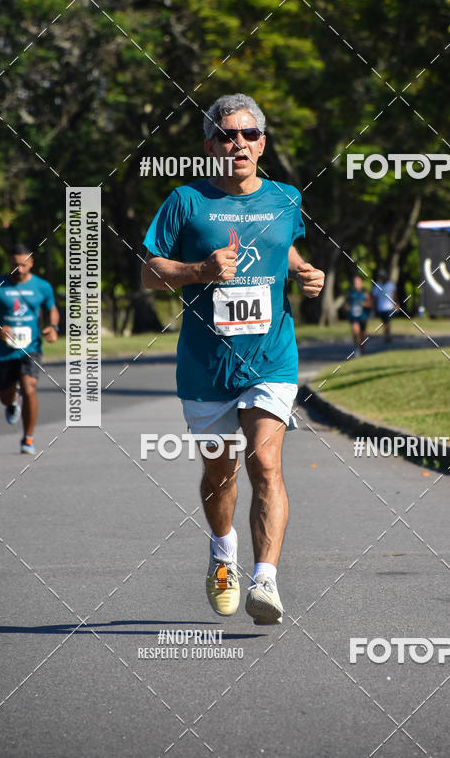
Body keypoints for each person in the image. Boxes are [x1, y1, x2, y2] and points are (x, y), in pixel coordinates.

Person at [141, 93, 324, 625]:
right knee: (220, 472)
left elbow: (283, 248)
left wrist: (303, 271)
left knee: (265, 463)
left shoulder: (287, 199)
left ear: (262, 144)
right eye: (226, 134)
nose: (237, 143)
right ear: (210, 145)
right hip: (205, 363)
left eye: (248, 134)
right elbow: (150, 273)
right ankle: (224, 557)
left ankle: (265, 581)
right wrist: (199, 271)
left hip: (271, 357)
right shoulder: (184, 201)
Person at [0, 245, 59, 454]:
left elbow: (51, 309)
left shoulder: (42, 286)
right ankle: (12, 402)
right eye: (14, 265)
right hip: (3, 350)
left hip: (30, 348)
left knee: (29, 387)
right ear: (9, 262)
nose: (19, 269)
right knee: (5, 397)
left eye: (23, 265)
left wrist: (52, 327)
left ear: (31, 263)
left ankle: (28, 439)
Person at [345, 274, 372, 357]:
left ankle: (362, 351)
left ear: (361, 283)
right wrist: (347, 307)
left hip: (363, 317)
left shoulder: (365, 293)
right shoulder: (350, 293)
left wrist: (364, 304)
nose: (356, 284)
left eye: (358, 282)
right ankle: (357, 349)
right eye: (355, 282)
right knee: (355, 332)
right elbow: (346, 304)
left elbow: (370, 304)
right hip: (354, 317)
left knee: (363, 335)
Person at [372, 270, 398, 343]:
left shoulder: (390, 285)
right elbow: (374, 298)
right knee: (384, 323)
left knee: (387, 322)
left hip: (389, 307)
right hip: (380, 308)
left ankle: (387, 336)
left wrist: (396, 304)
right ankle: (387, 335)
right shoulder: (377, 286)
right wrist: (373, 308)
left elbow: (394, 295)